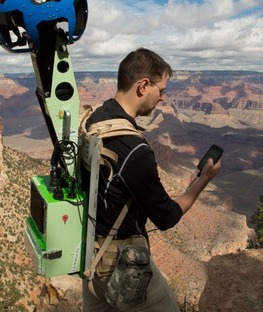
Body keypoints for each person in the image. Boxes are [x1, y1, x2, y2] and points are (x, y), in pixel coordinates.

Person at [81, 48, 222, 311]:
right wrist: (204, 179)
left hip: (90, 262)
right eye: (162, 90)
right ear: (143, 85)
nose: (163, 98)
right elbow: (166, 217)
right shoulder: (134, 149)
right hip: (120, 268)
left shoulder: (94, 118)